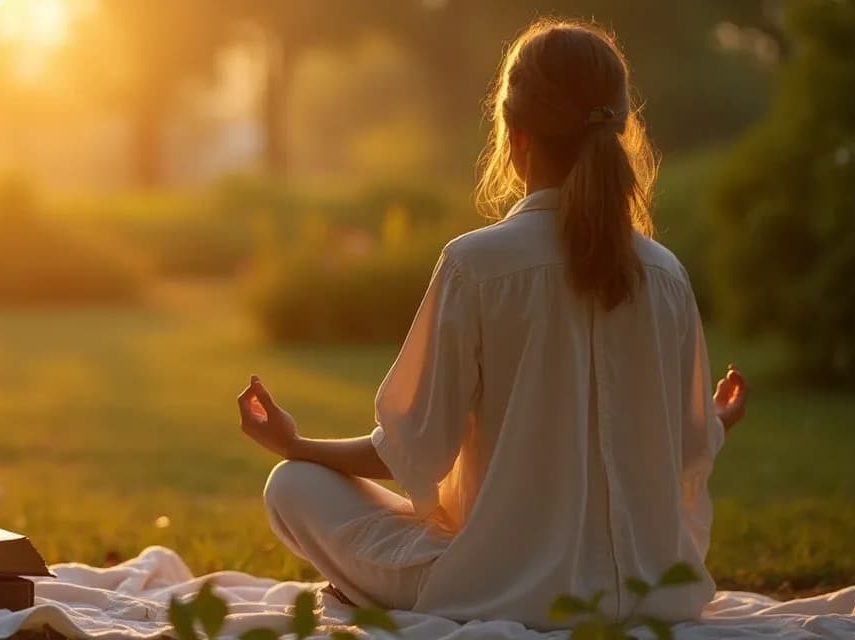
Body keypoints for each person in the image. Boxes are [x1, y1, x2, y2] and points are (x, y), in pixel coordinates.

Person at [236, 18, 749, 629]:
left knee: (291, 485)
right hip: (655, 594)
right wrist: (714, 420)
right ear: (618, 129)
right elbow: (686, 449)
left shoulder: (476, 265)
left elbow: (414, 451)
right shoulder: (666, 273)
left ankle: (371, 580)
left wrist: (296, 446)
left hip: (501, 594)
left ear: (514, 135)